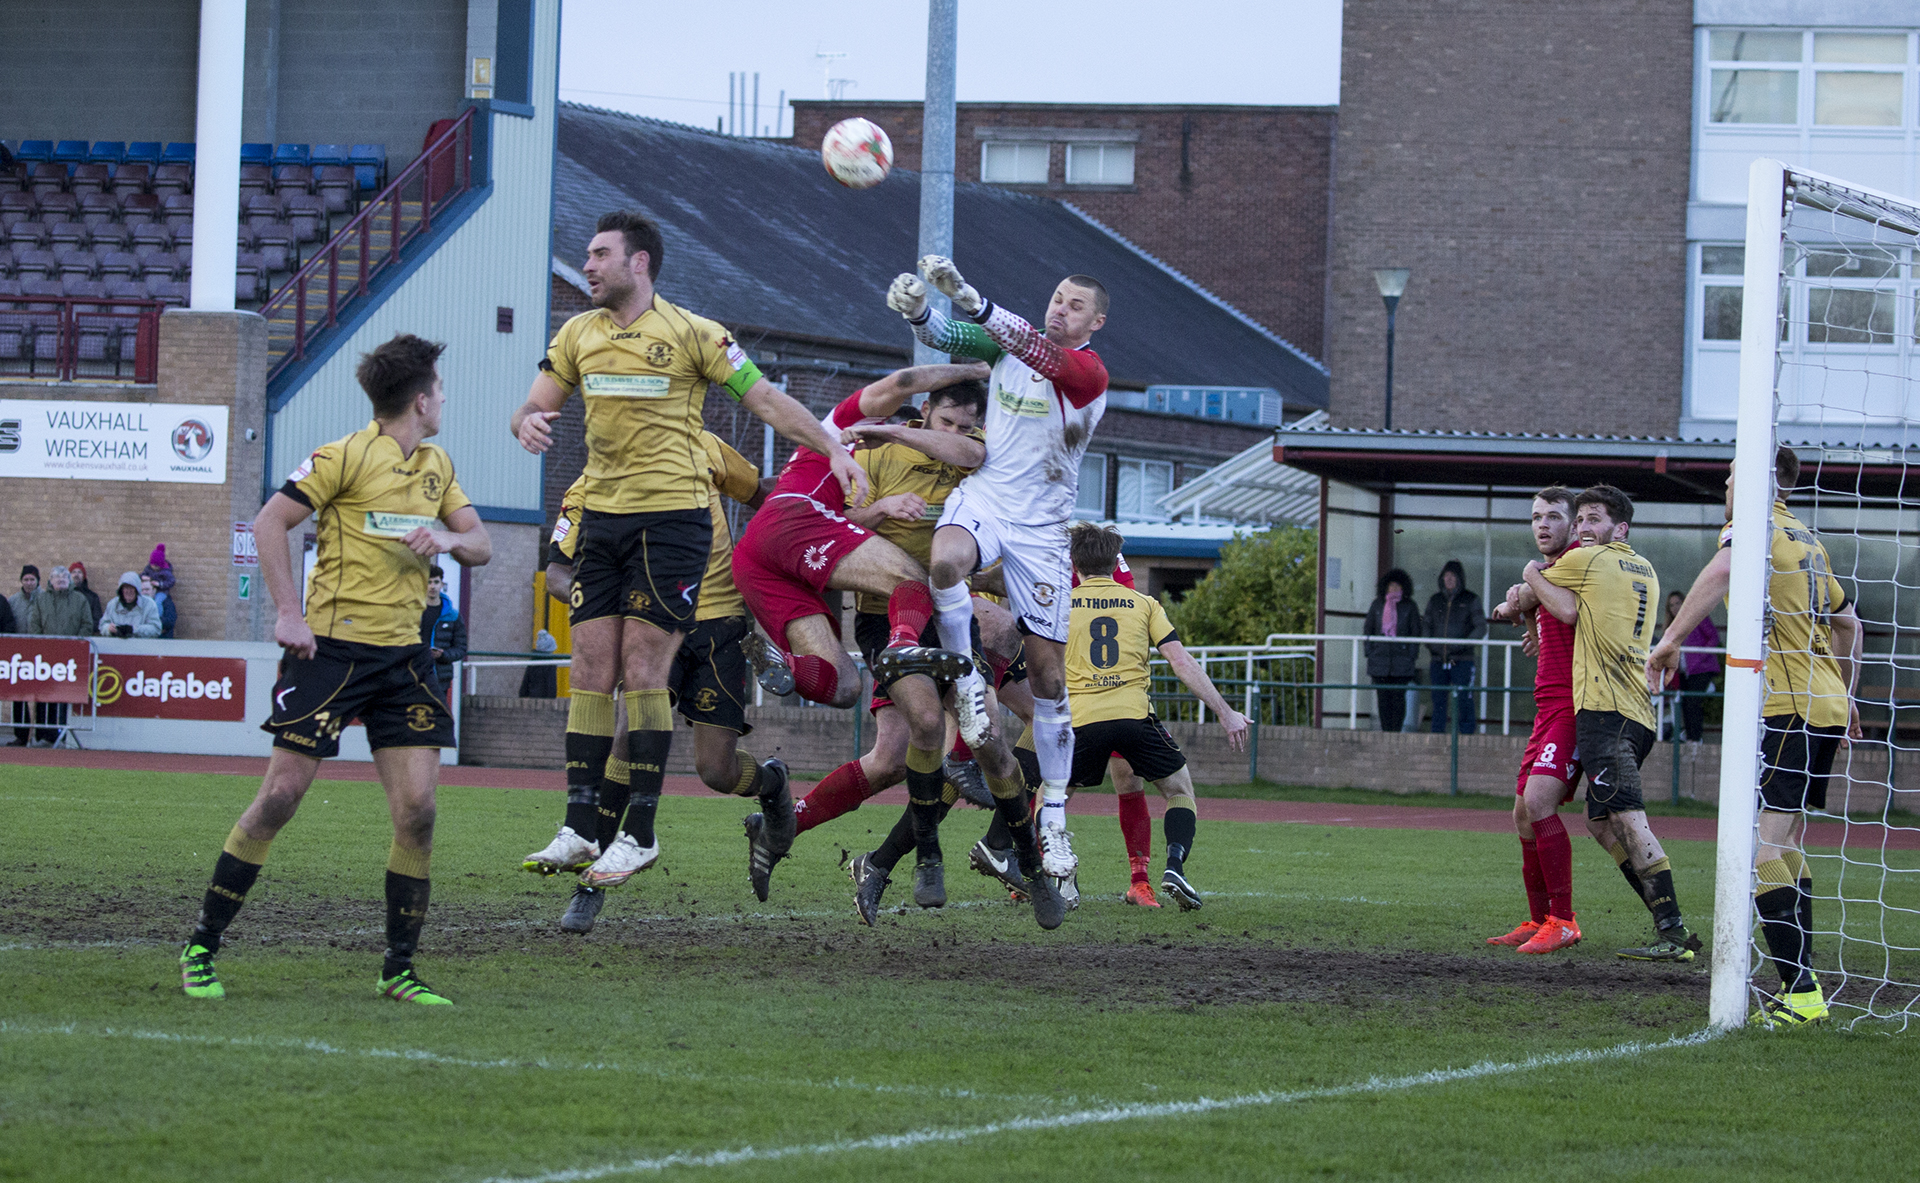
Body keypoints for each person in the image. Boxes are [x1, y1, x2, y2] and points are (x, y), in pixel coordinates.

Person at [509, 212, 867, 893]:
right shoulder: (577, 334)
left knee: (645, 672)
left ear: (639, 263)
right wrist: (526, 417)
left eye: (599, 254)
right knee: (591, 667)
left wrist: (832, 448)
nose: (587, 265)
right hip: (605, 521)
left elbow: (764, 398)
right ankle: (581, 824)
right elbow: (534, 402)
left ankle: (637, 833)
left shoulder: (696, 334)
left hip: (671, 525)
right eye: (586, 254)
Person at [177, 333, 491, 1005]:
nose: (444, 400)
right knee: (280, 798)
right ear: (420, 398)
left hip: (404, 659)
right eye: (439, 389)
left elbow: (483, 544)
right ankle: (202, 944)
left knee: (419, 811)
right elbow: (269, 523)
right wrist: (287, 612)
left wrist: (449, 537)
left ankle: (398, 969)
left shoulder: (438, 464)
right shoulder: (342, 455)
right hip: (330, 652)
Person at [888, 254, 1111, 894]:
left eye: (1075, 304)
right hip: (987, 500)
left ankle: (1059, 816)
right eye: (1057, 297)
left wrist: (973, 297)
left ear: (1095, 321)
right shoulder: (1010, 341)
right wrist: (922, 313)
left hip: (1042, 530)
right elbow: (951, 338)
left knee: (1047, 676)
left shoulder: (1087, 372)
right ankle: (968, 692)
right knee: (945, 561)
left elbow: (1037, 352)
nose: (1060, 307)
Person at [529, 431, 773, 933]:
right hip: (653, 625)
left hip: (720, 625)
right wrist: (603, 614)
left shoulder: (703, 445)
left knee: (716, 770)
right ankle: (591, 885)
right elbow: (557, 574)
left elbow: (764, 496)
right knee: (625, 736)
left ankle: (773, 783)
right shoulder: (587, 488)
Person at [1648, 448, 1860, 1025]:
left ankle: (1802, 994)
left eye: (1734, 472)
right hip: (1825, 704)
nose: (1725, 481)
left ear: (1761, 481)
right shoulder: (1808, 538)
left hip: (1790, 706)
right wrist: (1847, 692)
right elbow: (1848, 623)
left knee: (1763, 849)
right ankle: (1805, 987)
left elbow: (1721, 572)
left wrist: (1669, 642)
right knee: (1787, 842)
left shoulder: (1756, 526)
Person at [765, 376, 991, 907]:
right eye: (946, 422)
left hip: (956, 611)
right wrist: (884, 508)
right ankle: (995, 850)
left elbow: (975, 465)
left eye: (966, 425)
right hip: (889, 617)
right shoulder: (876, 455)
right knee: (906, 753)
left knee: (979, 736)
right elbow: (831, 524)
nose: (957, 432)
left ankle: (1014, 842)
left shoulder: (974, 455)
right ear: (926, 411)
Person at [1523, 484, 1703, 962]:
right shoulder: (1644, 567)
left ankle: (1674, 932)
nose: (1583, 529)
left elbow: (1545, 596)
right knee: (1601, 825)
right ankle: (1667, 922)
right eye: (1579, 520)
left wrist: (1526, 576)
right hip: (1638, 712)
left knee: (1626, 817)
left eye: (1594, 519)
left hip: (1606, 712)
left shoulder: (1592, 560)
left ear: (1619, 528)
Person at [1059, 523, 1246, 908]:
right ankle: (1174, 865)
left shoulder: (1062, 604)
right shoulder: (1144, 603)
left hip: (1082, 719)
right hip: (1134, 717)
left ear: (1074, 562)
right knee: (1179, 792)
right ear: (1116, 562)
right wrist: (1226, 713)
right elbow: (1181, 662)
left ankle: (1059, 874)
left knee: (1051, 798)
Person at [1488, 487, 1584, 954]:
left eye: (1553, 516)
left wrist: (1521, 593)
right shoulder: (1551, 573)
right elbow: (1539, 609)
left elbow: (1550, 598)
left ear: (1573, 523)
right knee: (1523, 813)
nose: (1542, 525)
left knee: (1540, 801)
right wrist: (1526, 617)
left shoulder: (1577, 561)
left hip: (1572, 707)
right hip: (1547, 707)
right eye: (1535, 517)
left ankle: (1563, 920)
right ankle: (1540, 916)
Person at [24, 564, 94, 747]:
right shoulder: (41, 599)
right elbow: (34, 623)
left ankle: (62, 734)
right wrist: (42, 644)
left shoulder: (80, 600)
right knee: (42, 694)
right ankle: (42, 734)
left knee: (64, 694)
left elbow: (87, 624)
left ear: (69, 580)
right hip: (45, 655)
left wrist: (75, 644)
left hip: (70, 656)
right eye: (57, 578)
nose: (61, 581)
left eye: (64, 578)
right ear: (50, 581)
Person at [1424, 559, 1485, 734]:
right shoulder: (1434, 601)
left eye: (1453, 576)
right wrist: (1433, 645)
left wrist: (1460, 645)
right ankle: (1437, 735)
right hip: (1437, 659)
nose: (1449, 579)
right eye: (1446, 576)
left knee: (1464, 698)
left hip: (1462, 660)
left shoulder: (1471, 599)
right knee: (1438, 699)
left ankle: (1466, 736)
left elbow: (1480, 627)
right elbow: (1426, 626)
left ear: (1459, 578)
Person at [1363, 569, 1421, 733]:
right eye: (1391, 585)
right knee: (1383, 699)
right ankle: (1385, 731)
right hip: (1379, 661)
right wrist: (1370, 652)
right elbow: (1368, 630)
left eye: (1397, 586)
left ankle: (1395, 732)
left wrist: (1410, 657)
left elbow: (1415, 632)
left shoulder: (1410, 607)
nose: (1394, 589)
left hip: (1401, 662)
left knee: (1398, 699)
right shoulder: (1377, 605)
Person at [1661, 590, 1720, 744]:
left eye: (1677, 603)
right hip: (1682, 671)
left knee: (1692, 700)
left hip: (1701, 668)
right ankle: (1689, 737)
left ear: (1684, 602)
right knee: (1684, 701)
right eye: (1671, 605)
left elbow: (1714, 637)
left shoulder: (1698, 616)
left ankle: (1695, 738)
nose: (1675, 607)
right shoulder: (1672, 627)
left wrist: (1700, 657)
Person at [418, 566, 468, 696]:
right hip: (415, 676)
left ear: (442, 584)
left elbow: (461, 648)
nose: (432, 586)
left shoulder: (452, 616)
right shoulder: (414, 612)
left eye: (436, 582)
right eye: (429, 582)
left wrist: (443, 655)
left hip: (440, 679)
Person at [8, 566, 39, 745]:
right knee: (18, 695)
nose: (29, 583)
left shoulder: (43, 599)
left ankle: (43, 735)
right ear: (21, 581)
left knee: (43, 696)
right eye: (26, 579)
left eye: (32, 580)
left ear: (37, 581)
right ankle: (21, 735)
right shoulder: (13, 601)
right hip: (19, 653)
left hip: (40, 652)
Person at [99, 571, 162, 638]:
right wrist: (109, 629)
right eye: (126, 587)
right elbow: (102, 625)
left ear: (137, 590)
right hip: (116, 645)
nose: (128, 591)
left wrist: (134, 629)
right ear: (121, 590)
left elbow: (156, 629)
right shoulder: (113, 604)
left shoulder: (149, 604)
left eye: (131, 588)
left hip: (141, 646)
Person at [142, 545, 178, 638]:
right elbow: (142, 574)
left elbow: (171, 581)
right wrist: (143, 577)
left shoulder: (166, 572)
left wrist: (160, 584)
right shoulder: (148, 569)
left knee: (158, 602)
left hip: (162, 591)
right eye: (152, 564)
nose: (153, 567)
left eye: (155, 565)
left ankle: (157, 616)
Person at [66, 561, 102, 632]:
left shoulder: (92, 597)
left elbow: (97, 620)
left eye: (79, 572)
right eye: (73, 572)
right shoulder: (63, 595)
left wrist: (83, 630)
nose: (76, 574)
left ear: (83, 576)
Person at [140, 574, 177, 639]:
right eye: (142, 590)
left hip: (162, 641)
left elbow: (170, 622)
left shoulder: (165, 602)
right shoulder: (137, 604)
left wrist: (149, 621)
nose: (144, 592)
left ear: (154, 590)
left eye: (147, 589)